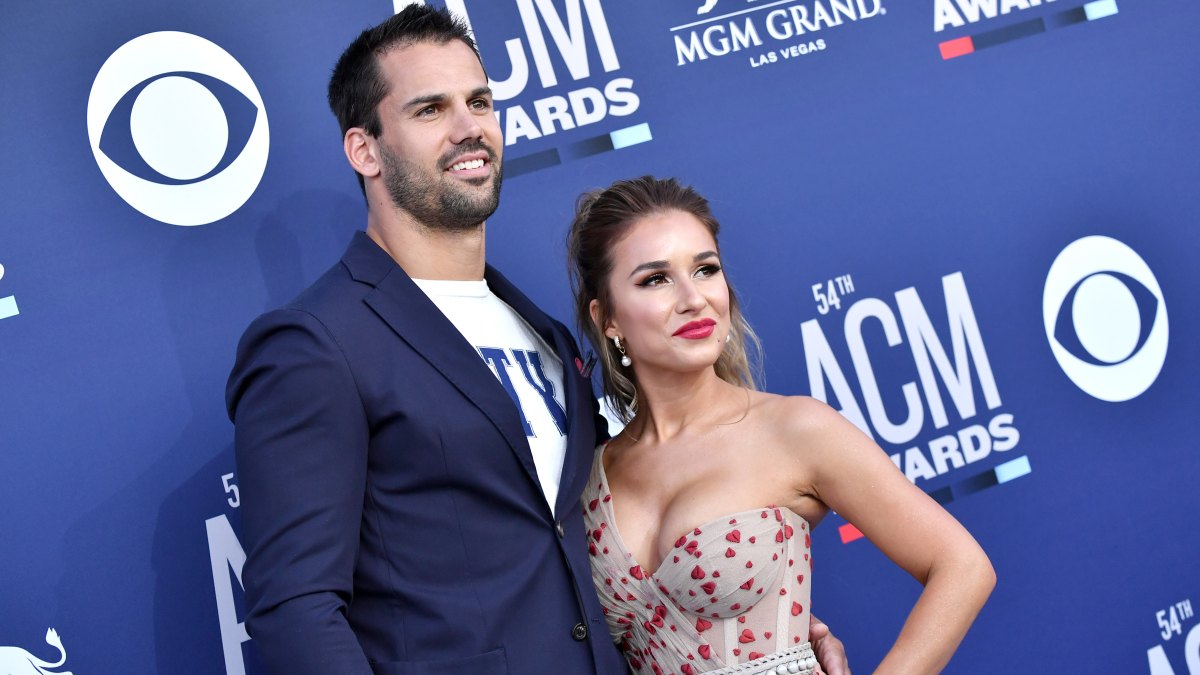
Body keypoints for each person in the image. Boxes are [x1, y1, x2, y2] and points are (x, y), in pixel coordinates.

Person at [224, 7, 848, 675]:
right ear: (365, 149)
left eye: (481, 101)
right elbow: (296, 609)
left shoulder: (546, 334)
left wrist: (742, 630)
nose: (470, 128)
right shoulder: (315, 344)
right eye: (430, 109)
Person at [567, 176, 996, 675]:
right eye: (655, 279)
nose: (693, 298)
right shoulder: (588, 473)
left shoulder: (794, 429)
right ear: (607, 319)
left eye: (706, 270)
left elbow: (963, 567)